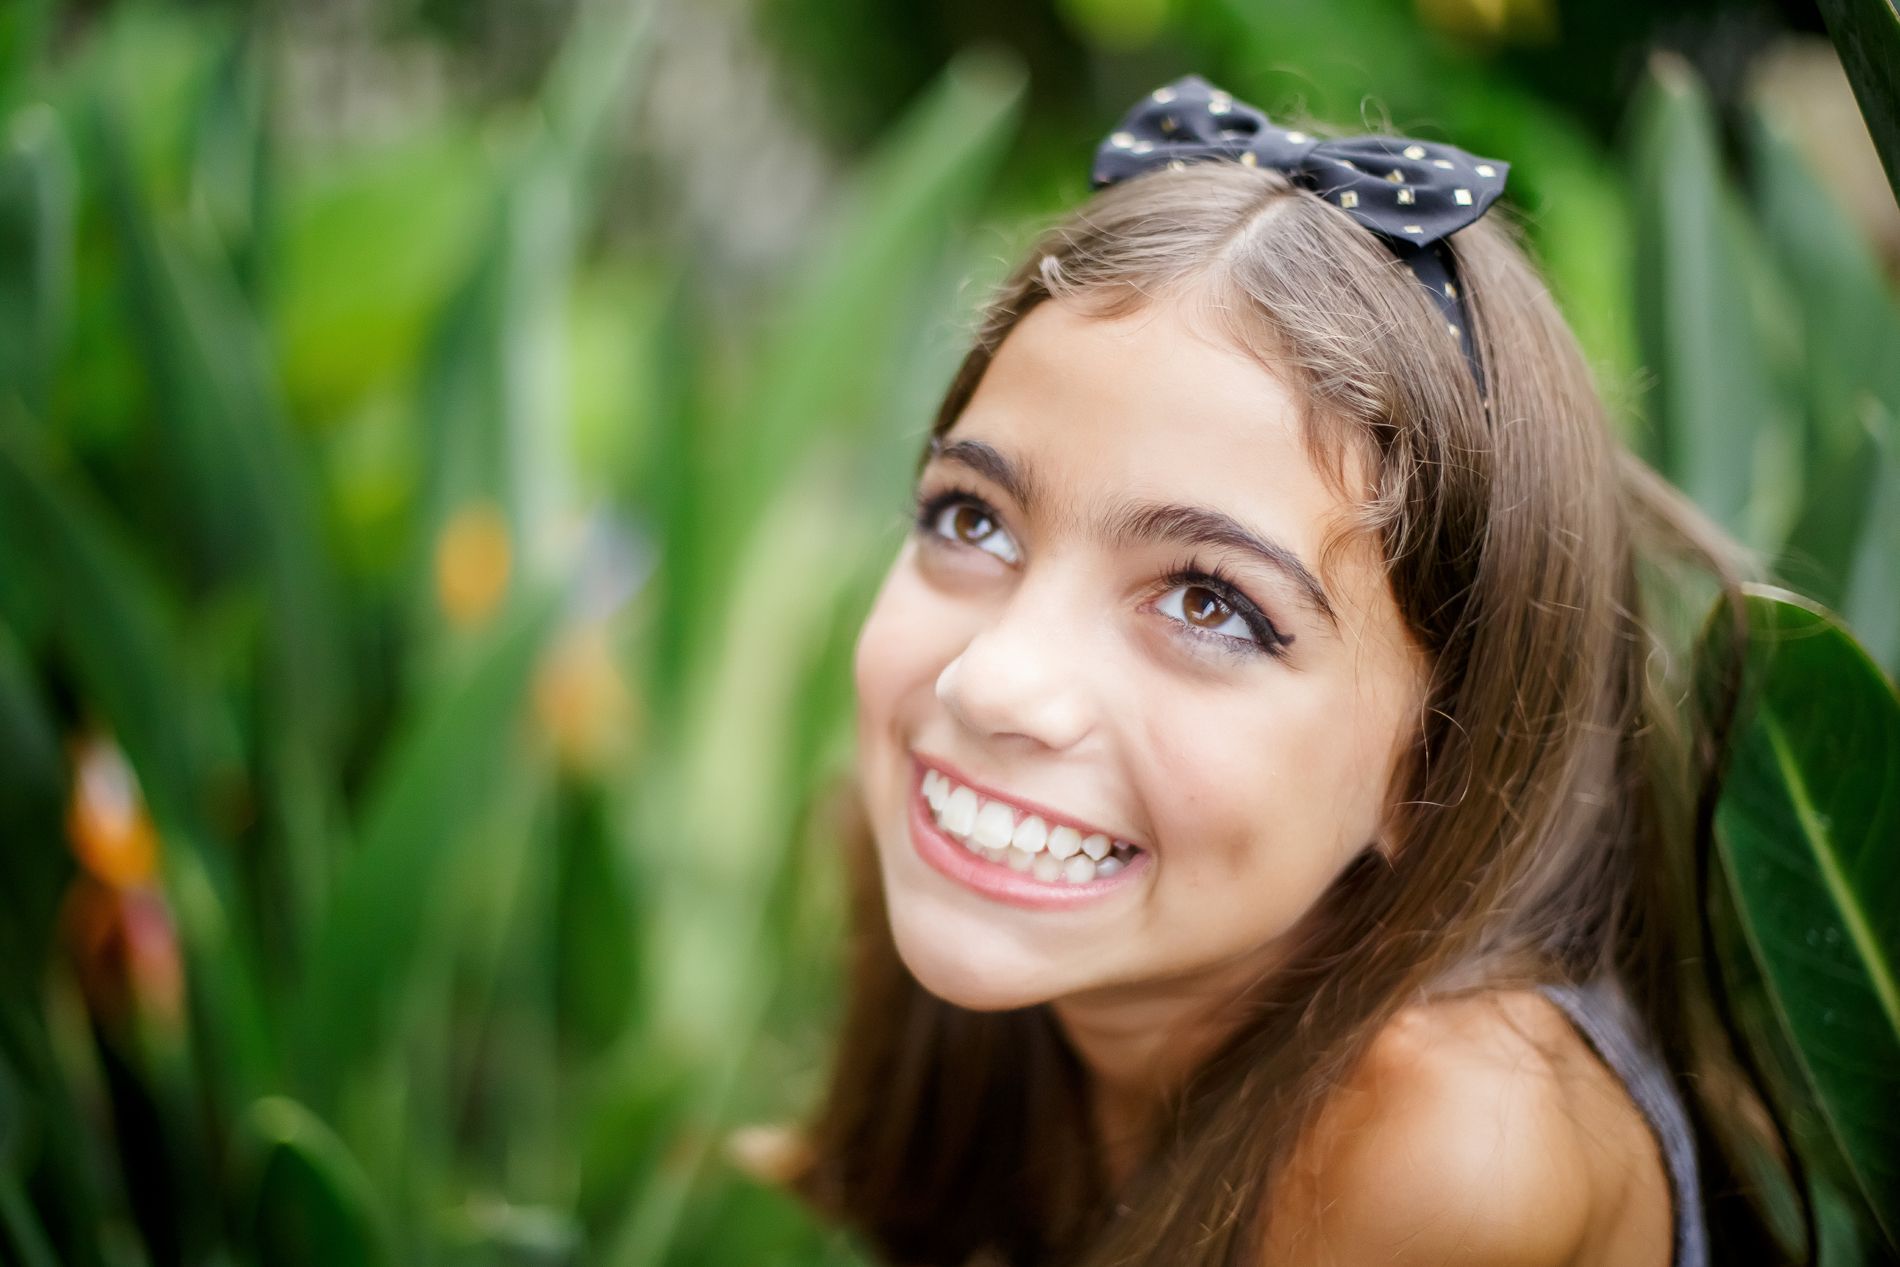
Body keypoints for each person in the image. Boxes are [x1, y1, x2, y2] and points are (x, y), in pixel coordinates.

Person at [733, 74, 1787, 1266]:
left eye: (1208, 603)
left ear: (1436, 760)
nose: (991, 682)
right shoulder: (980, 909)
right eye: (973, 519)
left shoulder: (1452, 1142)